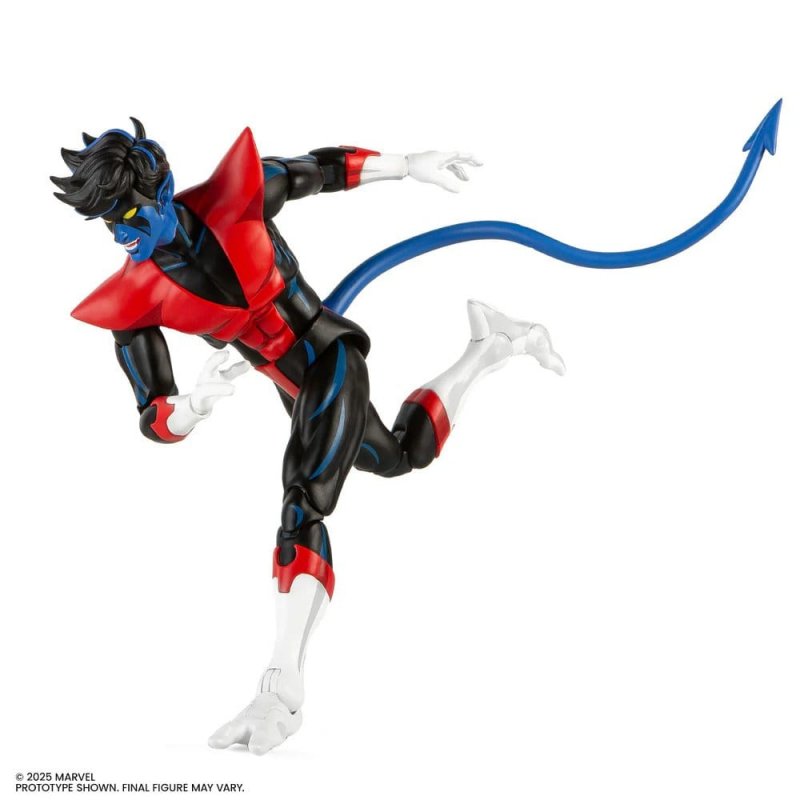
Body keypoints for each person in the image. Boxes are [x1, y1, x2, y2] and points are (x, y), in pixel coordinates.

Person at [53, 119, 564, 754]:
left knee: (303, 503)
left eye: (129, 213)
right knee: (398, 456)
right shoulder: (135, 296)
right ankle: (492, 346)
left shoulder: (235, 195)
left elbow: (318, 170)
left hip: (330, 354)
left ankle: (280, 692)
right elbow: (152, 414)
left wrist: (409, 163)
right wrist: (192, 406)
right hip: (291, 387)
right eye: (109, 224)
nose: (123, 234)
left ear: (161, 189)